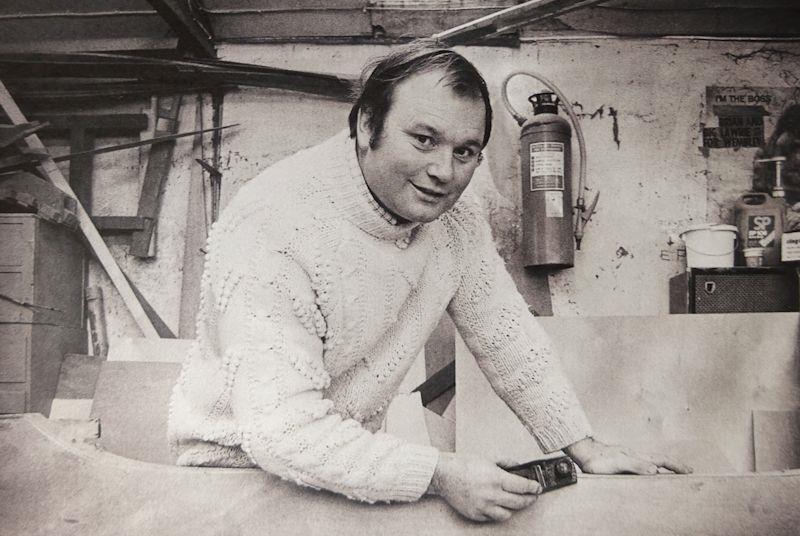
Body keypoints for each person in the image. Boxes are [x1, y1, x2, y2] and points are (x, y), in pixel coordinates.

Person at [168, 39, 691, 523]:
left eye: (465, 152)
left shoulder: (456, 221)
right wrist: (438, 474)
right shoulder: (274, 223)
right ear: (367, 125)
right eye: (423, 140)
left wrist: (583, 446)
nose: (444, 170)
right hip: (231, 481)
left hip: (341, 468)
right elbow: (281, 430)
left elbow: (506, 335)